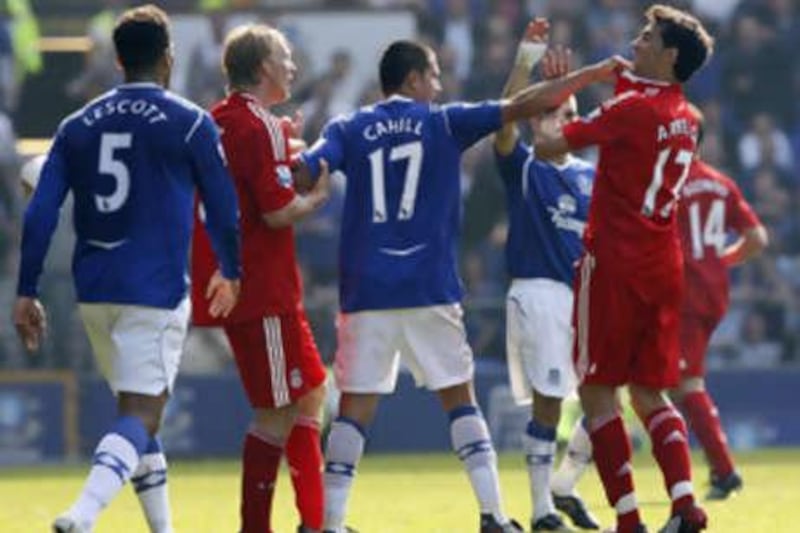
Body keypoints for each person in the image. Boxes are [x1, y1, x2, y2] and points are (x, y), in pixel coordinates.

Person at [295, 24, 627, 532]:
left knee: (355, 410)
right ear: (412, 79)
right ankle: (493, 515)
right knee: (459, 401)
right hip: (428, 287)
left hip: (365, 291)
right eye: (434, 75)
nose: (440, 84)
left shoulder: (347, 127)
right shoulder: (444, 122)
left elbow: (304, 170)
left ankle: (330, 523)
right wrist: (588, 75)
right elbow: (518, 108)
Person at [12, 5, 241, 533]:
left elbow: (41, 210)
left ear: (117, 60)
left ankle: (163, 529)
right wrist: (231, 267)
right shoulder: (189, 123)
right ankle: (83, 515)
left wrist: (27, 288)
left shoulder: (75, 126)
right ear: (168, 58)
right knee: (143, 414)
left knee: (138, 413)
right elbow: (224, 208)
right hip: (154, 290)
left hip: (94, 291)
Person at [534, 5, 715, 532]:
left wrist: (553, 101)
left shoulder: (634, 109)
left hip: (614, 262)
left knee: (596, 390)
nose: (636, 42)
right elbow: (633, 101)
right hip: (663, 264)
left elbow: (548, 148)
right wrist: (609, 78)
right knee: (649, 393)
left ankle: (628, 520)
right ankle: (686, 506)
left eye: (646, 36)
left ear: (670, 54)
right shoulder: (684, 115)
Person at [190, 24, 331, 533]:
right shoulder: (259, 126)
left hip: (245, 284)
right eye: (285, 56)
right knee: (276, 412)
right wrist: (314, 199)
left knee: (312, 391)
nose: (292, 65)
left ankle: (317, 521)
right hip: (262, 290)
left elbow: (247, 183)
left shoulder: (216, 121)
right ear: (264, 67)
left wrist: (285, 151)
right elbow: (275, 212)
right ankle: (264, 527)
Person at [493, 20, 598, 533]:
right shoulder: (526, 166)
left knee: (608, 396)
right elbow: (504, 120)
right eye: (554, 113)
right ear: (537, 121)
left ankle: (565, 483)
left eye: (571, 114)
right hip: (541, 294)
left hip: (588, 298)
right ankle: (541, 510)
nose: (564, 121)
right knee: (551, 402)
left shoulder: (591, 175)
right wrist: (525, 64)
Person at [673, 107, 767, 500]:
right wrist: (721, 259)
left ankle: (725, 472)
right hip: (714, 291)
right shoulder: (721, 183)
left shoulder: (668, 187)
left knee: (684, 383)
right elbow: (758, 238)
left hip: (686, 294)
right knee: (670, 382)